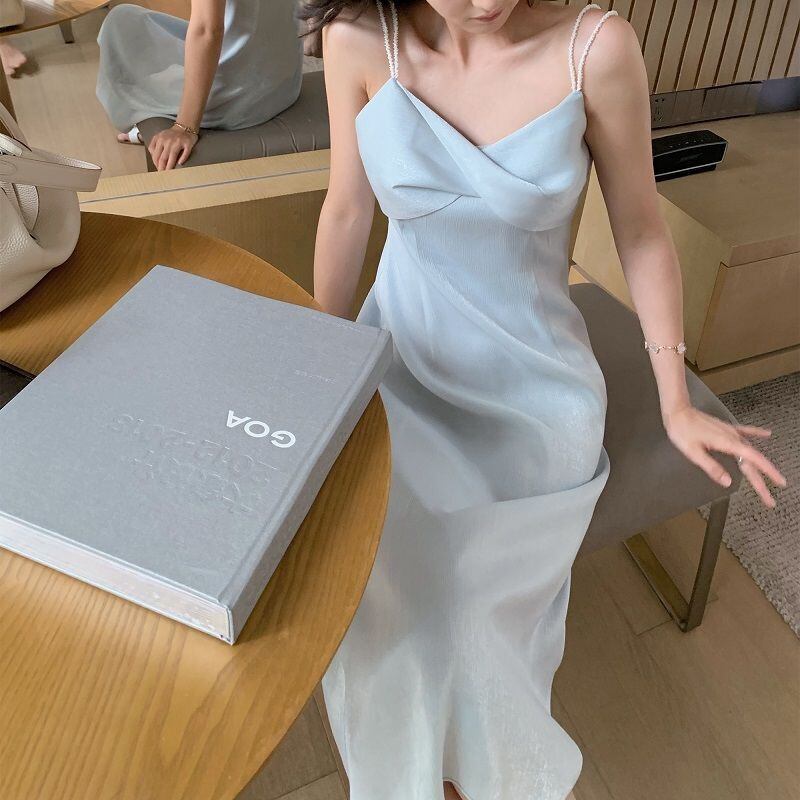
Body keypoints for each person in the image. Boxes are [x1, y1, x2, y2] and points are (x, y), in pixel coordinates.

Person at [307, 1, 788, 798]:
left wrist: (675, 397)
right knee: (372, 586)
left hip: (534, 388)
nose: (486, 3)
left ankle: (474, 774)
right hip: (402, 359)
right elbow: (347, 208)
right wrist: (317, 366)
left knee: (467, 613)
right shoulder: (358, 38)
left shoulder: (595, 49)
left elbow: (641, 228)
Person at [96, 0, 303, 171]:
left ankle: (160, 118)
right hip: (284, 82)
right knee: (139, 22)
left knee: (120, 23)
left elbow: (207, 31)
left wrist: (184, 128)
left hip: (242, 99)